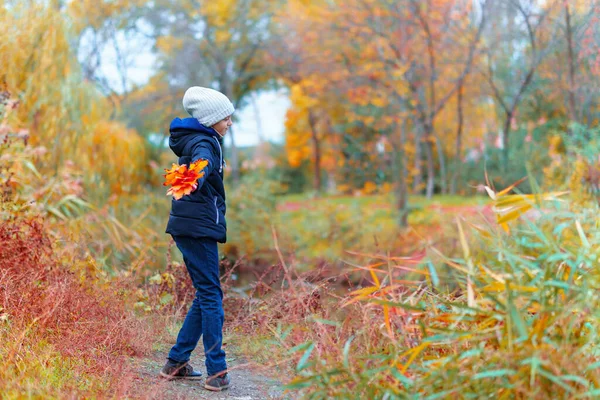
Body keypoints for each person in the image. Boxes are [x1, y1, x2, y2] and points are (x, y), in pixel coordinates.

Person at [159, 86, 233, 392]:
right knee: (212, 296)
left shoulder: (200, 138)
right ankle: (216, 371)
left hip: (192, 225)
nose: (230, 122)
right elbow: (198, 168)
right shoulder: (204, 142)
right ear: (211, 118)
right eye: (226, 117)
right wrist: (192, 180)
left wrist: (189, 180)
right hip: (198, 227)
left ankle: (176, 362)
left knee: (205, 294)